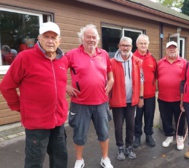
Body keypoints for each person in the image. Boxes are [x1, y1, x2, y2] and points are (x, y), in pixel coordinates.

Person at [0, 22, 68, 168]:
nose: (50, 41)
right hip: (37, 123)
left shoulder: (63, 59)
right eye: (46, 36)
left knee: (60, 159)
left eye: (54, 37)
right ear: (39, 38)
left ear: (59, 41)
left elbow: (58, 84)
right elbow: (6, 86)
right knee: (34, 163)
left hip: (58, 121)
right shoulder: (25, 58)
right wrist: (19, 107)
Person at [66, 24, 114, 168]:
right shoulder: (72, 54)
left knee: (104, 133)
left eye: (94, 37)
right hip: (80, 103)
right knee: (79, 135)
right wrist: (64, 85)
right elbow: (58, 69)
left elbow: (110, 73)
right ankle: (79, 160)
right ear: (82, 38)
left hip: (101, 102)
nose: (91, 40)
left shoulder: (104, 54)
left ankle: (105, 158)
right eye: (88, 37)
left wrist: (111, 80)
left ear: (97, 39)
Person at [109, 36, 144, 161]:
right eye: (123, 45)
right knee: (118, 126)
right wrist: (108, 100)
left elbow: (141, 80)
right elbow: (107, 81)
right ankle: (120, 147)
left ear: (131, 47)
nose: (125, 47)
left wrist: (141, 97)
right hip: (117, 100)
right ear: (119, 46)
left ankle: (129, 147)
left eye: (128, 45)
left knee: (131, 124)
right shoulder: (111, 62)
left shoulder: (138, 61)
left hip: (132, 100)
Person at [157, 41, 186, 150]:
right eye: (170, 48)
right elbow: (156, 77)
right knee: (166, 118)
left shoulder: (183, 62)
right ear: (166, 50)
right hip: (163, 98)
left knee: (180, 119)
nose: (172, 50)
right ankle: (169, 136)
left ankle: (179, 137)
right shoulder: (160, 63)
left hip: (179, 99)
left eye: (174, 48)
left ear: (178, 50)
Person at [132, 34, 157, 148]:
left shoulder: (152, 58)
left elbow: (155, 75)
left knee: (149, 116)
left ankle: (149, 135)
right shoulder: (131, 58)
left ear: (148, 44)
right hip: (136, 96)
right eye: (141, 43)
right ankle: (137, 136)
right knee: (137, 117)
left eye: (145, 43)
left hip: (150, 95)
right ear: (137, 44)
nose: (143, 45)